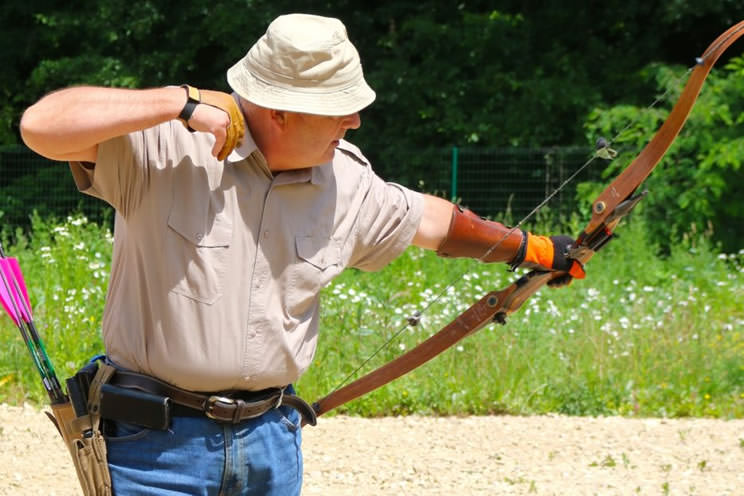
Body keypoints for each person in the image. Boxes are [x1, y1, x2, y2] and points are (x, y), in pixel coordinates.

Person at [20, 13, 583, 496]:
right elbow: (41, 126)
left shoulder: (345, 179)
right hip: (155, 450)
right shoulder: (168, 147)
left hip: (270, 447)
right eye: (339, 107)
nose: (355, 120)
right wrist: (178, 101)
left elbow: (435, 222)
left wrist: (532, 248)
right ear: (280, 111)